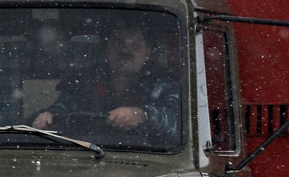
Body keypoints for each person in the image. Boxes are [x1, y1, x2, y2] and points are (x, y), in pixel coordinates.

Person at [31, 24, 179, 142]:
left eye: (135, 44)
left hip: (149, 160)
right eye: (117, 42)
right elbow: (62, 110)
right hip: (84, 156)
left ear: (148, 52)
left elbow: (176, 125)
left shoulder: (165, 84)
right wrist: (47, 117)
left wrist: (143, 115)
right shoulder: (85, 82)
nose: (125, 49)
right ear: (106, 50)